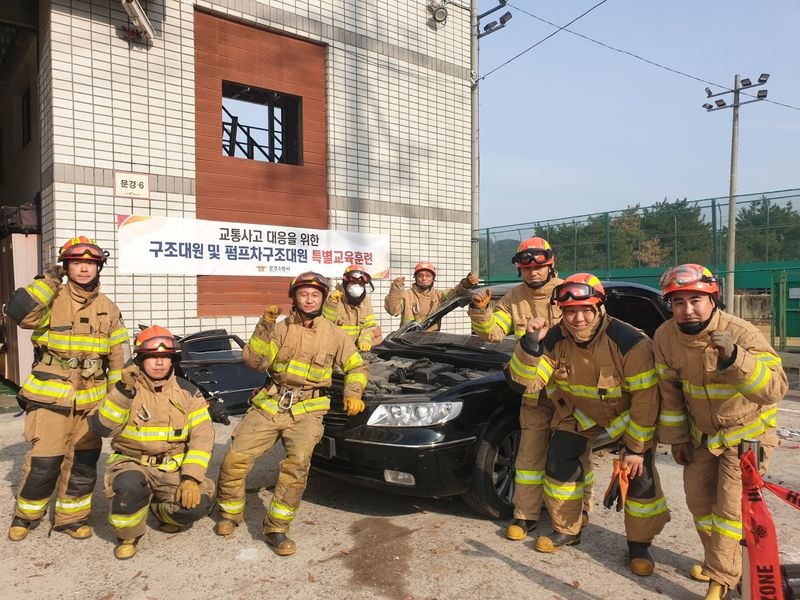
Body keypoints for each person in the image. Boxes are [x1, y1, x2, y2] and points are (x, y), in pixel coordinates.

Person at [506, 273, 670, 576]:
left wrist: (634, 449)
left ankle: (639, 546)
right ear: (561, 312)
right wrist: (531, 344)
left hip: (627, 418)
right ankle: (568, 530)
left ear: (600, 308)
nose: (578, 318)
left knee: (639, 477)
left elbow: (646, 401)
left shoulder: (630, 343)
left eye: (585, 310)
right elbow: (526, 383)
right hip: (582, 414)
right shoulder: (554, 338)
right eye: (569, 311)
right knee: (559, 461)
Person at [654, 264, 787, 600]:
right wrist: (678, 439)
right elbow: (671, 394)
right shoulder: (665, 337)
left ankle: (722, 581)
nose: (687, 309)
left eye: (696, 300)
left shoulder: (742, 333)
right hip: (701, 438)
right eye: (678, 302)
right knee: (700, 504)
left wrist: (735, 358)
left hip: (745, 437)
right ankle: (719, 561)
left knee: (729, 510)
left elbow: (773, 390)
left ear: (713, 298)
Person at [214, 272, 368, 555]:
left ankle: (276, 528)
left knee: (296, 466)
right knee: (235, 458)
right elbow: (254, 362)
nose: (309, 300)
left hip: (308, 410)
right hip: (271, 403)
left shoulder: (335, 334)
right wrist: (264, 326)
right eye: (303, 294)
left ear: (322, 299)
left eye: (315, 295)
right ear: (294, 298)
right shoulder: (279, 329)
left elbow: (357, 367)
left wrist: (352, 393)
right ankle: (230, 513)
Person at [5, 236, 129, 542]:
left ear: (99, 267)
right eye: (76, 263)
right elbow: (20, 314)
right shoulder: (51, 298)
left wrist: (116, 401)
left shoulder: (109, 309)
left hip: (91, 402)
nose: (84, 269)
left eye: (90, 263)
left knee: (83, 463)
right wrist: (47, 282)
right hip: (51, 397)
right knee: (44, 460)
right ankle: (26, 515)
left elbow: (117, 358)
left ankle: (71, 518)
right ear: (66, 266)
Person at [469, 237, 592, 541]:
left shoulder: (569, 290)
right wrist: (480, 312)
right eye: (526, 268)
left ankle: (579, 512)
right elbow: (493, 333)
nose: (532, 273)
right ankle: (525, 517)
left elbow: (589, 327)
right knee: (528, 457)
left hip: (570, 391)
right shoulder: (514, 298)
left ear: (551, 266)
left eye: (539, 267)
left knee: (575, 455)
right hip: (534, 392)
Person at [89, 326, 215, 559]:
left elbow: (202, 437)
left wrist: (191, 478)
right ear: (140, 360)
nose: (159, 363)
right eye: (153, 357)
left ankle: (159, 511)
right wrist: (122, 392)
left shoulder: (189, 393)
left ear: (172, 360)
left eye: (165, 357)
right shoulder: (126, 388)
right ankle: (128, 535)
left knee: (197, 506)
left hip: (170, 468)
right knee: (129, 485)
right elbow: (102, 428)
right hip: (132, 463)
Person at [384, 261, 478, 330]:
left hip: (431, 342)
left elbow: (455, 293)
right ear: (415, 278)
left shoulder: (439, 295)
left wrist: (466, 284)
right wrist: (395, 290)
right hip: (407, 341)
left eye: (428, 275)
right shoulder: (406, 295)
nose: (424, 278)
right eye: (420, 275)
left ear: (433, 279)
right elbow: (393, 311)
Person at [323, 264, 378, 352]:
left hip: (356, 352)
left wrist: (365, 339)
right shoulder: (334, 299)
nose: (356, 286)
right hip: (335, 352)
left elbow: (369, 326)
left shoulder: (365, 301)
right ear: (345, 283)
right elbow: (325, 325)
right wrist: (331, 305)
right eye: (353, 283)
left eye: (360, 283)